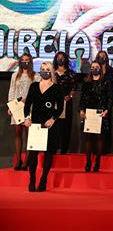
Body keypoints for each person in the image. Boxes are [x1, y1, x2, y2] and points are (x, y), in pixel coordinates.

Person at [23, 62, 64, 192]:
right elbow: (27, 105)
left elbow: (60, 108)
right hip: (35, 125)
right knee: (33, 155)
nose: (44, 71)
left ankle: (43, 179)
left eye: (47, 69)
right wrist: (27, 118)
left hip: (49, 126)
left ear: (51, 71)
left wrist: (53, 119)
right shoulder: (34, 86)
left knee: (48, 154)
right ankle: (32, 179)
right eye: (42, 69)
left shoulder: (57, 88)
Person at [7, 54, 40, 171]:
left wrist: (29, 99)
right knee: (18, 133)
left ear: (30, 62)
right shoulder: (15, 75)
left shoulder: (36, 76)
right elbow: (12, 91)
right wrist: (10, 106)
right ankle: (18, 160)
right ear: (20, 62)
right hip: (17, 107)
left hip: (30, 108)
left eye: (27, 60)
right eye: (23, 60)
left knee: (29, 135)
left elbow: (38, 93)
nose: (25, 62)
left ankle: (27, 160)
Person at [80, 61, 113, 172]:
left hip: (101, 113)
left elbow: (109, 98)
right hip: (89, 113)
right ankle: (88, 161)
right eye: (93, 67)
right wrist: (81, 110)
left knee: (99, 138)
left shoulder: (106, 82)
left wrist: (107, 110)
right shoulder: (86, 82)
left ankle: (97, 161)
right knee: (88, 138)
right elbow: (82, 99)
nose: (95, 69)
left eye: (97, 67)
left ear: (100, 69)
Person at [53, 51, 76, 154]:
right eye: (58, 58)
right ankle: (54, 147)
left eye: (62, 58)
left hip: (66, 103)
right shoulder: (52, 72)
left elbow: (74, 87)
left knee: (65, 125)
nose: (60, 59)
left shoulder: (71, 73)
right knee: (54, 124)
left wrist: (70, 96)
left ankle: (63, 148)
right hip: (53, 103)